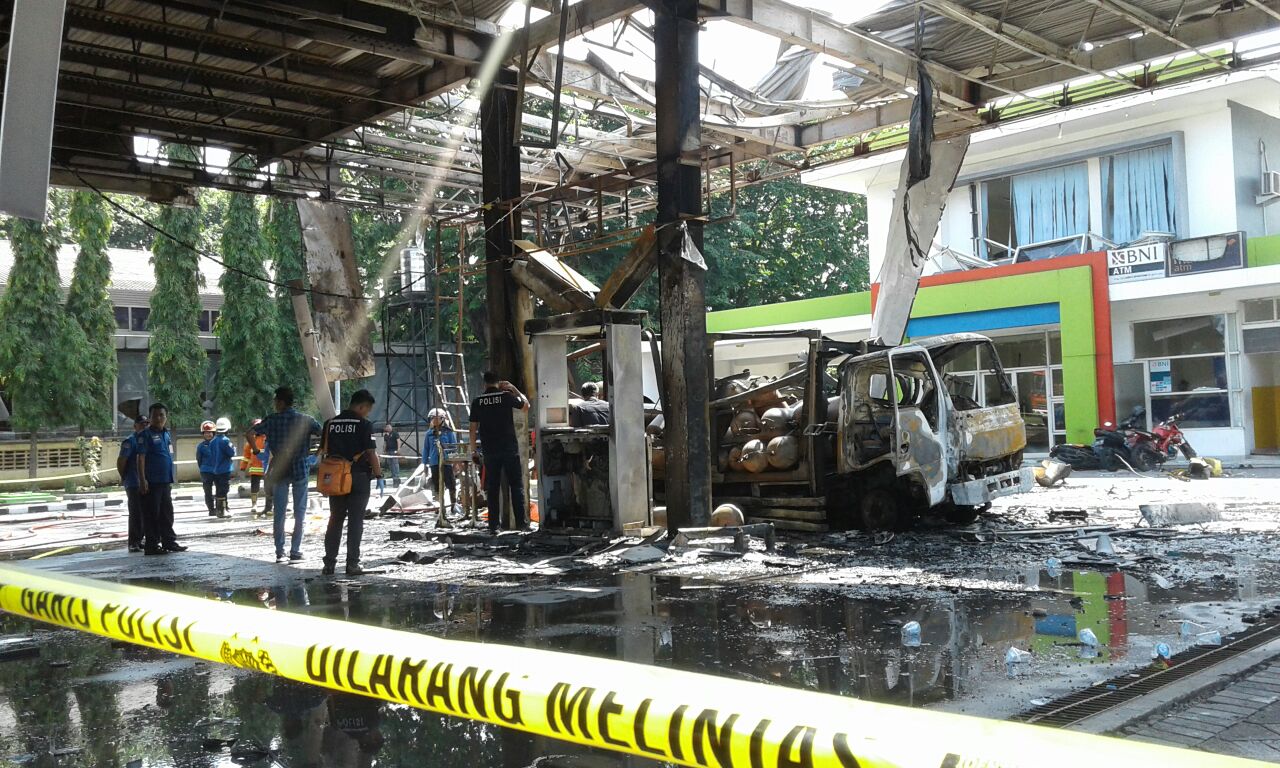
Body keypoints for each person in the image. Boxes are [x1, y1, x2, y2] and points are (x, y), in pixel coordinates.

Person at [254, 387, 322, 564]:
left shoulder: (272, 420)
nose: (274, 404)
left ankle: (279, 552)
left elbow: (249, 433)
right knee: (300, 512)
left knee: (280, 512)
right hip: (300, 467)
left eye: (276, 400)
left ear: (281, 402)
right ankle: (295, 551)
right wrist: (317, 454)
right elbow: (325, 433)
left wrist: (255, 450)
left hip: (280, 468)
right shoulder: (306, 420)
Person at [321, 389, 381, 576]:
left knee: (335, 519)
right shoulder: (364, 424)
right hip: (358, 477)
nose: (367, 413)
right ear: (362, 406)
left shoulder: (329, 424)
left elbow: (324, 450)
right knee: (355, 521)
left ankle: (329, 564)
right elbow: (371, 453)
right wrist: (378, 474)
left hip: (336, 477)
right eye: (367, 409)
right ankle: (352, 564)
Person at [469, 371, 530, 533]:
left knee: (493, 488)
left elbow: (473, 428)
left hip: (490, 451)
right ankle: (522, 524)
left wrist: (474, 451)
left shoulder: (477, 401)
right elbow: (526, 406)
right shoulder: (506, 396)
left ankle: (493, 526)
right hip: (510, 449)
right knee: (516, 486)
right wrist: (514, 389)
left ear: (484, 384)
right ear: (499, 383)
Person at [136, 403, 187, 555]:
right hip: (151, 482)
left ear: (166, 417)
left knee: (166, 513)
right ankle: (151, 545)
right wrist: (142, 480)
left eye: (162, 415)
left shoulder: (166, 434)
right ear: (150, 418)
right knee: (152, 514)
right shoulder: (145, 435)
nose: (159, 418)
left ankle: (169, 541)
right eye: (155, 415)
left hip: (165, 481)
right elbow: (140, 458)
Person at [116, 415, 148, 552]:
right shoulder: (130, 441)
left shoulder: (147, 440)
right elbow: (121, 461)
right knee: (135, 513)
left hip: (146, 482)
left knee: (145, 513)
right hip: (134, 482)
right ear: (135, 426)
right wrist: (124, 476)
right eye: (141, 424)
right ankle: (133, 542)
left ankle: (140, 539)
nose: (144, 426)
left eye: (147, 423)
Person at [421, 409, 458, 511]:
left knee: (451, 484)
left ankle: (453, 505)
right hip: (434, 463)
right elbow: (426, 449)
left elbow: (454, 447)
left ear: (442, 419)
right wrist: (425, 465)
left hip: (446, 463)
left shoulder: (449, 432)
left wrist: (455, 463)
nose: (434, 420)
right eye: (433, 418)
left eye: (436, 418)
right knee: (437, 485)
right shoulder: (429, 434)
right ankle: (440, 507)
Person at [241, 419, 271, 518]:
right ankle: (254, 504)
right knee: (254, 488)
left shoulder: (268, 439)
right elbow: (246, 455)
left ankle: (269, 505)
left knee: (269, 488)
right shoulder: (251, 440)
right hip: (255, 468)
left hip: (267, 468)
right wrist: (243, 467)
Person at [382, 423, 401, 488]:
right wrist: (384, 450)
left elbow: (398, 441)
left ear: (391, 427)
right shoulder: (385, 435)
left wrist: (398, 449)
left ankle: (397, 477)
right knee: (390, 463)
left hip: (394, 450)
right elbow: (385, 443)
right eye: (387, 427)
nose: (388, 428)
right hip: (388, 451)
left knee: (395, 463)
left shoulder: (395, 433)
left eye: (389, 427)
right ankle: (393, 475)